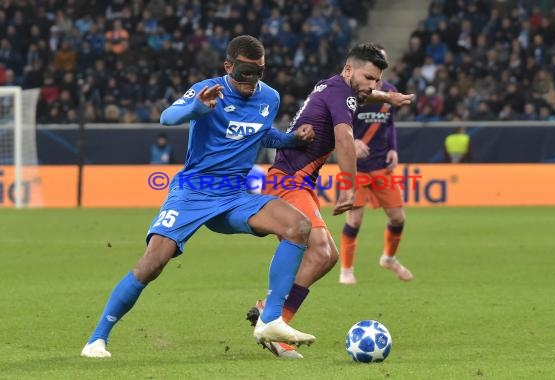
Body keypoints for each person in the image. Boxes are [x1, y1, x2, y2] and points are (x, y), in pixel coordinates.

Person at [81, 35, 317, 358]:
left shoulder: (270, 98)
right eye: (245, 73)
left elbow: (264, 136)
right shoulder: (208, 90)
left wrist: (292, 140)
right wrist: (196, 107)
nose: (252, 81)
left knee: (299, 227)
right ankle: (97, 339)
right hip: (192, 192)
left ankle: (270, 319)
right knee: (153, 262)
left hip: (234, 195)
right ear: (228, 66)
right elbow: (167, 117)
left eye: (259, 73)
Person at [246, 43, 414, 358]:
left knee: (326, 256)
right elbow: (345, 140)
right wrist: (348, 186)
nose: (373, 85)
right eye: (369, 77)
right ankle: (273, 324)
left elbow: (361, 95)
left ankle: (271, 312)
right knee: (322, 251)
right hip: (289, 180)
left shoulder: (334, 86)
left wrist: (387, 97)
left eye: (377, 80)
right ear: (349, 69)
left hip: (297, 180)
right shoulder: (342, 94)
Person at [339, 46, 413, 285]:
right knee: (355, 220)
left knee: (398, 218)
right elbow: (338, 125)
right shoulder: (354, 93)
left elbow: (389, 124)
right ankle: (347, 270)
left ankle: (389, 258)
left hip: (382, 165)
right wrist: (353, 142)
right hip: (357, 167)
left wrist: (393, 148)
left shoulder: (389, 92)